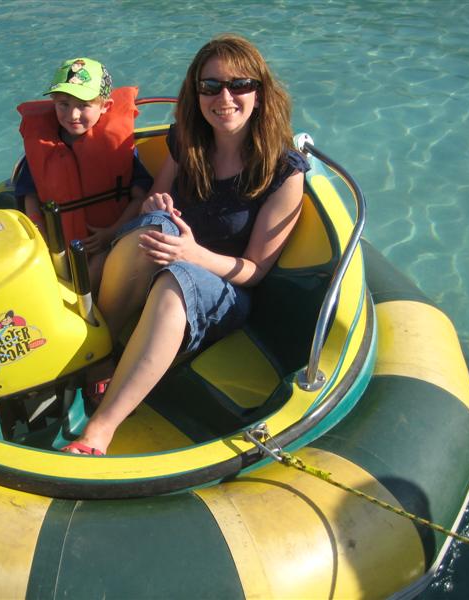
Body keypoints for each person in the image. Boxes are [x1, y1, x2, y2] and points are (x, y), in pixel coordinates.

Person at [62, 34, 309, 456]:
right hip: (166, 255)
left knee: (176, 278)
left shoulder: (283, 171)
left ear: (260, 92)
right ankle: (99, 351)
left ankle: (99, 433)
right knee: (155, 227)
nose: (224, 98)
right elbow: (156, 202)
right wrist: (156, 207)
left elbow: (254, 271)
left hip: (224, 288)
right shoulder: (187, 141)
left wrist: (193, 255)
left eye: (239, 85)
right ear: (197, 93)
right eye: (211, 86)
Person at [16, 57, 153, 289]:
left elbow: (140, 197)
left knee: (99, 264)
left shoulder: (119, 148)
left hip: (110, 239)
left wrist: (112, 233)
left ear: (105, 106)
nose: (73, 115)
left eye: (83, 105)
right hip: (59, 249)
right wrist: (44, 242)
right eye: (64, 104)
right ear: (53, 102)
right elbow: (30, 197)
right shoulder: (42, 148)